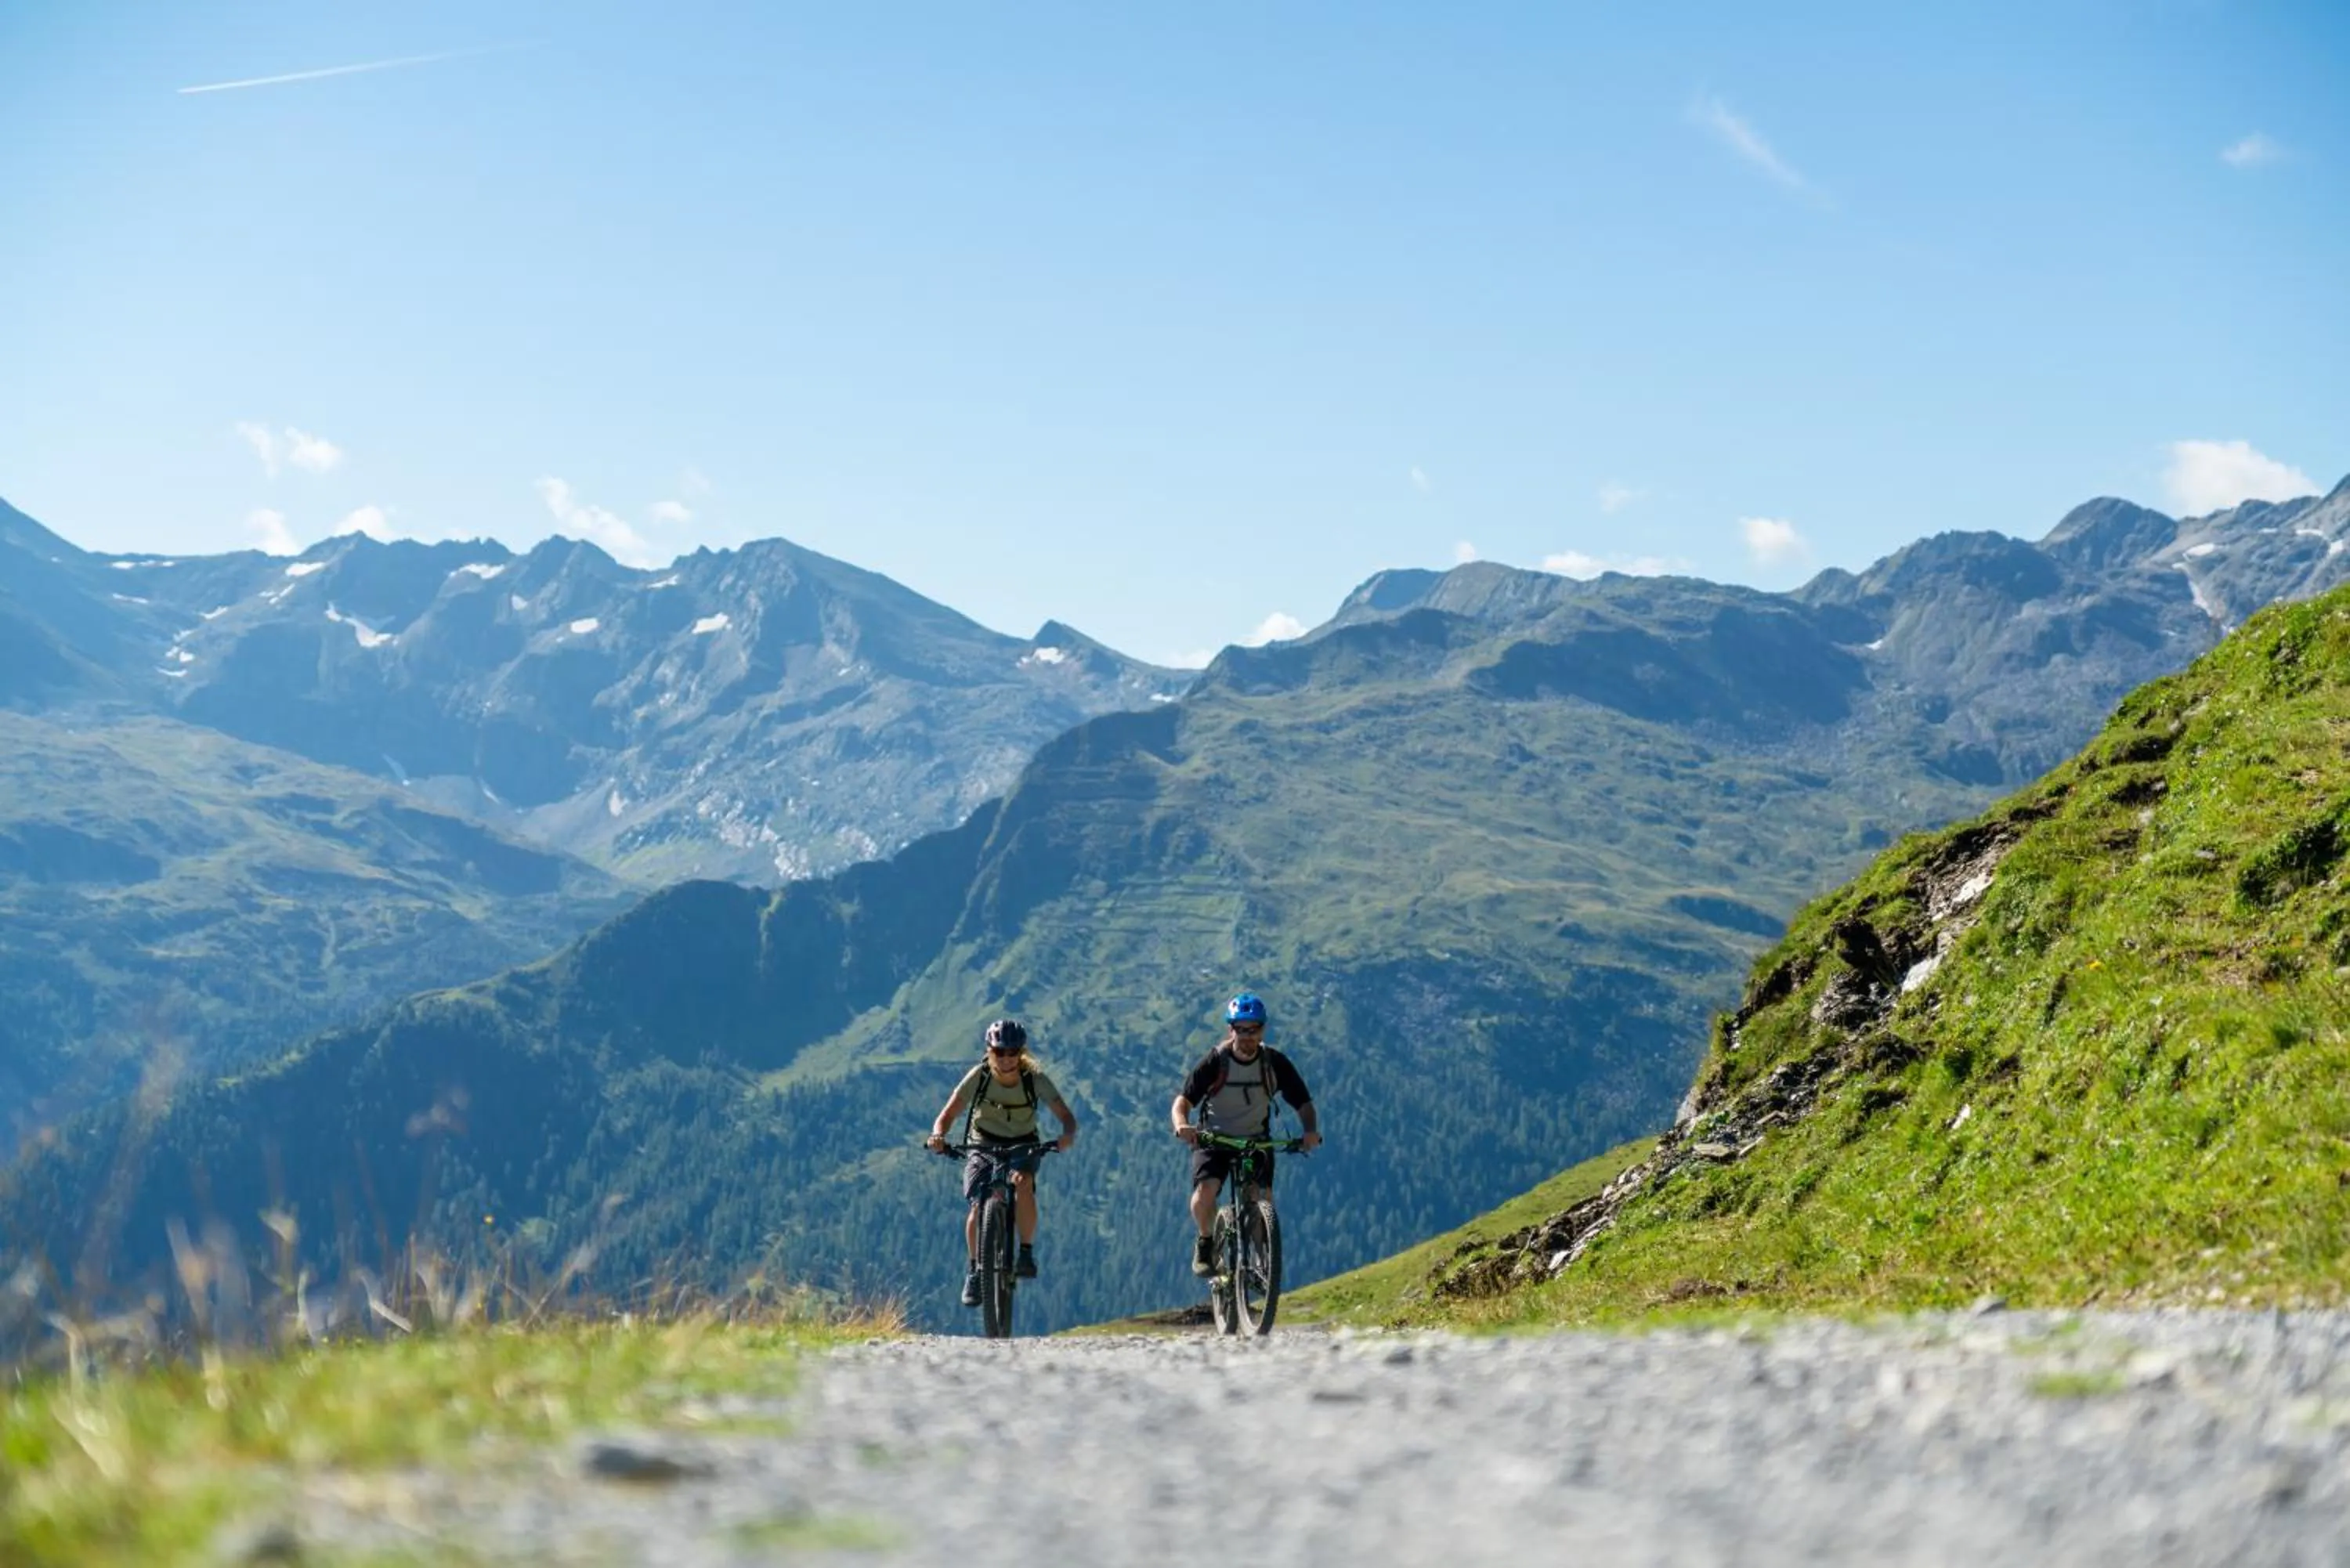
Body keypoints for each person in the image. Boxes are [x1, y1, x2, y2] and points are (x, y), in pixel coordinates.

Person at [926, 1017, 1078, 1308]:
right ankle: (974, 1271)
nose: (1006, 1059)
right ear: (989, 1051)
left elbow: (1066, 1117)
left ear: (1022, 1053)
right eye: (999, 1052)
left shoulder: (1035, 1078)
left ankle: (1025, 1251)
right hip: (982, 1141)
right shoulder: (979, 1076)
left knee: (1024, 1182)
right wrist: (938, 1135)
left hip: (1023, 1142)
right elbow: (947, 1115)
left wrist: (1066, 1136)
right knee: (976, 1204)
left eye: (1013, 1053)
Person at [1170, 992, 1321, 1276]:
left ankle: (1265, 1261)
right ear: (1232, 1030)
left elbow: (1303, 1102)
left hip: (1255, 1140)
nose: (1248, 1036)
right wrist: (1182, 1125)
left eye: (1254, 1029)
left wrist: (1310, 1131)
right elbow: (1183, 1101)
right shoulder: (1216, 1061)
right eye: (1242, 1029)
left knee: (1260, 1199)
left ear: (1263, 1029)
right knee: (1205, 1193)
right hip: (1214, 1139)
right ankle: (1205, 1242)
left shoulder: (1274, 1063)